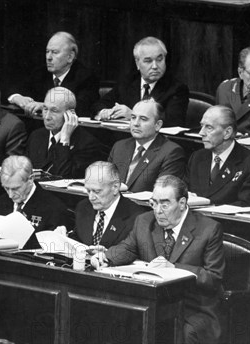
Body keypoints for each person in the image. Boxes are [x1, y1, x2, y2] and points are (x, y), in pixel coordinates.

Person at [91, 175, 225, 344]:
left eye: (165, 204)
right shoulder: (144, 221)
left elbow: (213, 277)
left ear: (182, 203)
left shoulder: (208, 229)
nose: (158, 210)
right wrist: (106, 257)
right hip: (152, 303)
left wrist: (175, 268)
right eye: (154, 203)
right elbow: (128, 248)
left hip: (192, 307)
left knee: (181, 333)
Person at [0, 155, 73, 249]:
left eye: (16, 188)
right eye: (6, 188)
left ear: (30, 179)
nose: (10, 195)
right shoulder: (0, 202)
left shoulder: (53, 208)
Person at [93, 36, 189, 127]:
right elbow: (99, 104)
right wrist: (105, 112)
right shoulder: (128, 82)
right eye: (148, 61)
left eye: (159, 60)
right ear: (137, 63)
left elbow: (174, 121)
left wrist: (133, 115)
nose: (155, 66)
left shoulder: (177, 88)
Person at [186, 105, 250, 206]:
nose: (201, 133)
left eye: (209, 127)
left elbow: (245, 204)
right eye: (202, 126)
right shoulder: (197, 157)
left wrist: (210, 206)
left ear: (227, 132)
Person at [7, 31, 99, 117]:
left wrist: (45, 107)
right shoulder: (40, 73)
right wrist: (17, 98)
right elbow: (13, 88)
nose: (48, 57)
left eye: (55, 52)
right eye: (47, 52)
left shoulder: (86, 77)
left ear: (70, 57)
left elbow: (81, 108)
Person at [26, 87, 105, 178]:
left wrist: (64, 141)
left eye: (54, 111)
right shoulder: (36, 136)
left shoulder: (87, 144)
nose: (47, 117)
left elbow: (63, 178)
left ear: (70, 114)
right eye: (45, 109)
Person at [108, 99, 185, 192]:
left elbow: (164, 193)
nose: (136, 123)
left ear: (158, 125)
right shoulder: (120, 146)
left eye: (143, 119)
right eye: (133, 117)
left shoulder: (171, 152)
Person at [73, 161, 145, 247]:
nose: (91, 197)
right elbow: (79, 239)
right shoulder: (83, 207)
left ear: (115, 187)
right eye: (88, 191)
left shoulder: (136, 218)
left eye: (97, 191)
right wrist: (65, 235)